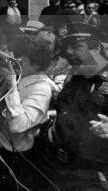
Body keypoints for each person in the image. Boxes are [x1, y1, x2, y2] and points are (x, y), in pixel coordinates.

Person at [35, 30, 108, 190]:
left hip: (91, 174)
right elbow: (66, 110)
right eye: (66, 48)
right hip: (57, 167)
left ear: (95, 47)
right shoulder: (75, 77)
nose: (68, 53)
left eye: (76, 46)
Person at [0, 35, 53, 190]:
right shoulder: (14, 74)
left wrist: (12, 83)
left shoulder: (42, 88)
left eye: (21, 62)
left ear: (37, 65)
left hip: (17, 159)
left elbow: (18, 126)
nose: (15, 65)